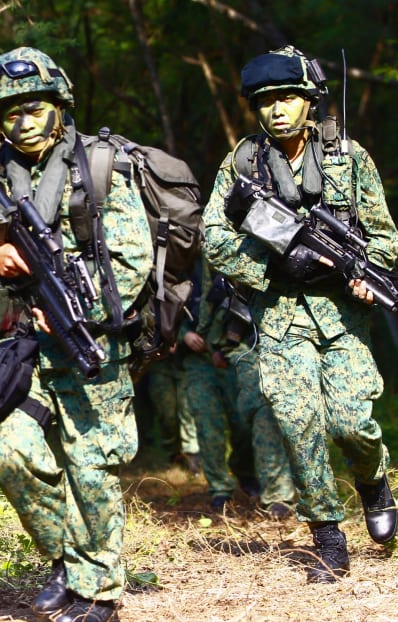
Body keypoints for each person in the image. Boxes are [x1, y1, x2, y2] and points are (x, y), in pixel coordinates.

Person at [0, 47, 153, 621]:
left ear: (58, 106)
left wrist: (82, 315)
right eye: (10, 114)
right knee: (11, 454)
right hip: (25, 350)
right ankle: (68, 559)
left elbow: (133, 258)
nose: (23, 122)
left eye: (34, 108)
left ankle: (100, 589)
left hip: (93, 341)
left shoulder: (100, 166)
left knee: (91, 466)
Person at [204, 45, 398, 582]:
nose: (277, 110)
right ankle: (328, 537)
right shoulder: (242, 163)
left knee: (352, 424)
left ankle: (374, 480)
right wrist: (277, 261)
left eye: (288, 97)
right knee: (298, 423)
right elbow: (214, 239)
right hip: (279, 315)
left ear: (308, 101)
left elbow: (384, 237)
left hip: (340, 317)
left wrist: (362, 275)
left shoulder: (349, 157)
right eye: (266, 102)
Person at [183, 259, 295, 516]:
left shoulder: (246, 251)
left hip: (240, 350)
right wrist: (183, 334)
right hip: (199, 359)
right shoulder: (186, 257)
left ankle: (251, 475)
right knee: (208, 423)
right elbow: (165, 302)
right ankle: (220, 490)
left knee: (250, 418)